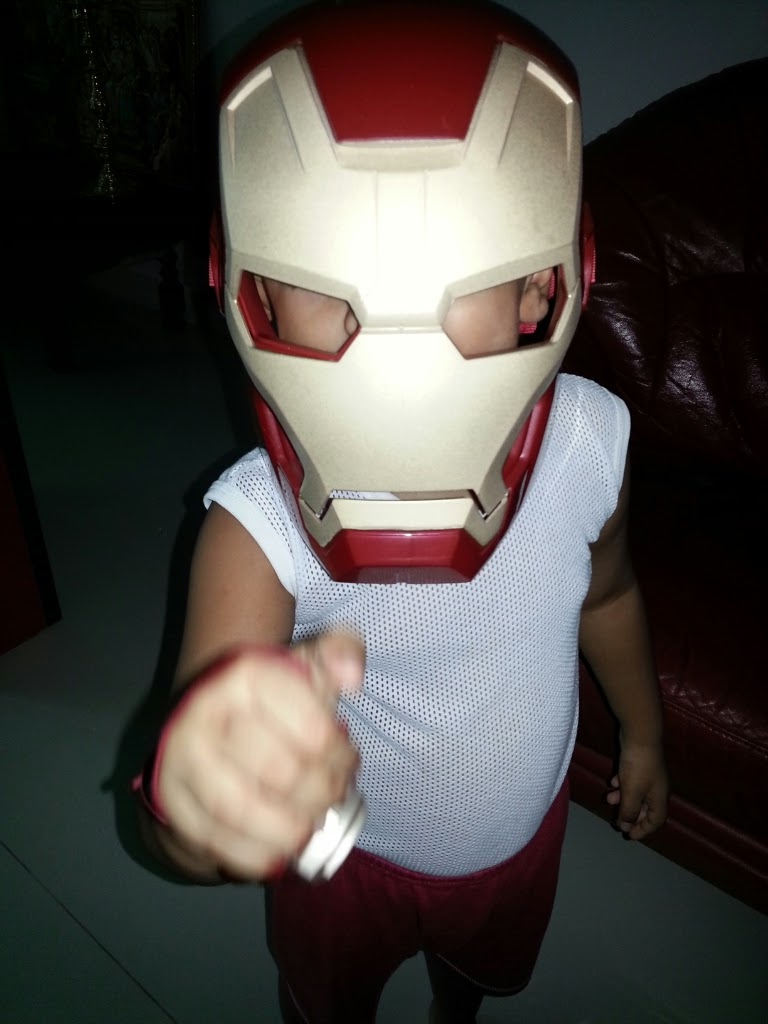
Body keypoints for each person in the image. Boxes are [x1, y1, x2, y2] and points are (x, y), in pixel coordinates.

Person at [134, 2, 669, 1022]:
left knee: (471, 984)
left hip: (514, 846)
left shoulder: (591, 445)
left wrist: (641, 732)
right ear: (249, 290)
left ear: (544, 284)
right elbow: (203, 770)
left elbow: (609, 594)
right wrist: (197, 812)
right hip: (347, 861)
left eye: (445, 271)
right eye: (322, 280)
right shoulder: (256, 527)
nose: (378, 334)